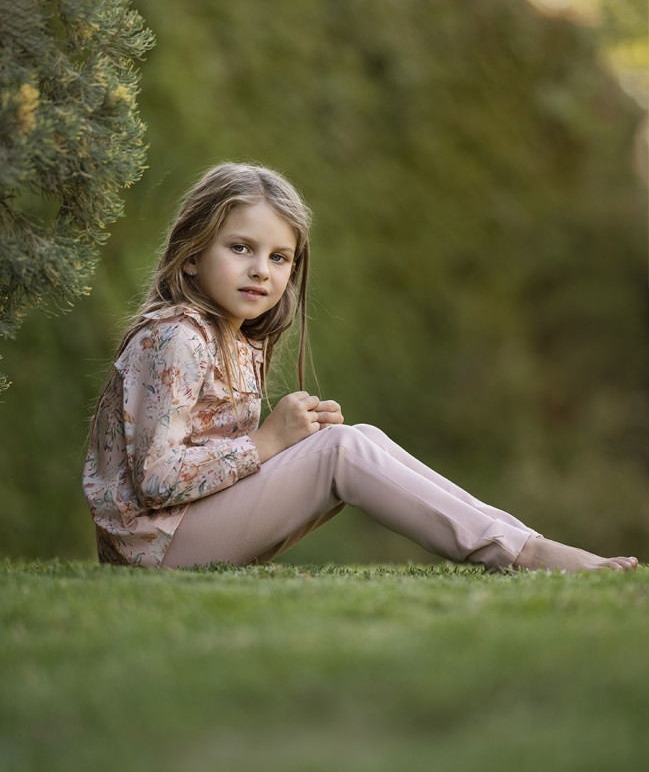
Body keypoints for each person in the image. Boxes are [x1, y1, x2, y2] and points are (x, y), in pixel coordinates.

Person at [83, 162, 639, 573]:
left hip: (186, 530)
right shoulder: (175, 338)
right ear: (191, 253)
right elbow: (155, 480)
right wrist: (268, 442)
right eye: (240, 248)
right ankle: (523, 554)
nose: (262, 271)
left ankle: (523, 542)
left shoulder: (232, 338)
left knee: (354, 438)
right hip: (154, 548)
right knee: (342, 451)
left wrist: (287, 443)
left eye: (279, 258)